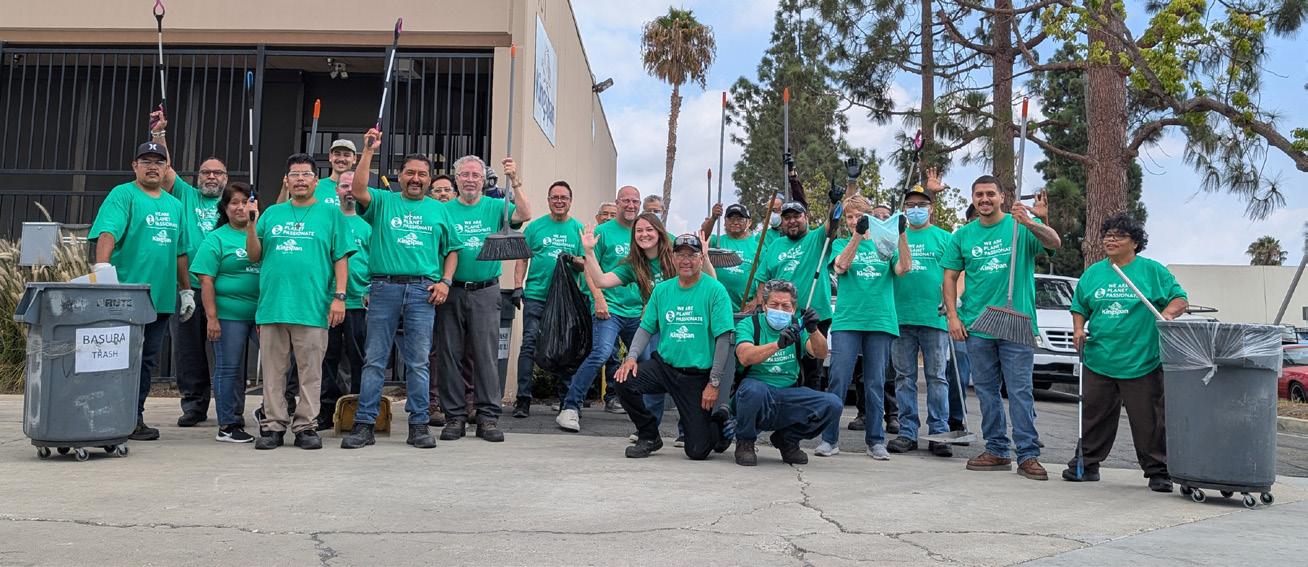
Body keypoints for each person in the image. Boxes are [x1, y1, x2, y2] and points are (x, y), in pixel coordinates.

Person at [341, 129, 459, 449]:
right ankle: (365, 425)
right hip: (384, 288)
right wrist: (368, 151)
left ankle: (419, 425)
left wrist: (446, 282)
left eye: (422, 174)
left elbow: (452, 250)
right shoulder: (384, 201)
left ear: (429, 179)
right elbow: (358, 188)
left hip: (423, 292)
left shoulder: (439, 210)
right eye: (410, 173)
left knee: (418, 362)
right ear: (399, 175)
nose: (415, 178)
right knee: (374, 360)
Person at [941, 175, 1061, 480]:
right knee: (986, 391)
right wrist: (953, 316)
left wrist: (1031, 221)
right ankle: (996, 449)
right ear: (973, 198)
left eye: (990, 194)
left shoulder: (1019, 226)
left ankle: (1028, 454)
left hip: (1016, 323)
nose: (985, 199)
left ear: (1002, 197)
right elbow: (950, 278)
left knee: (1020, 391)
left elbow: (1054, 243)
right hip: (977, 325)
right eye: (979, 194)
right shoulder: (962, 236)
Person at [1065, 213, 1187, 491]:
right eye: (1107, 235)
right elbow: (1079, 306)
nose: (1110, 240)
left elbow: (1180, 298)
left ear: (1135, 242)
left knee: (1149, 421)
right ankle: (1086, 465)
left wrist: (1167, 315)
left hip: (1142, 360)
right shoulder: (1093, 273)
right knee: (1093, 416)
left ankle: (1158, 471)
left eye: (1119, 236)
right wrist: (1078, 329)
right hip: (1099, 358)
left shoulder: (1152, 271)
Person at [245, 153, 355, 450]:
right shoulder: (272, 214)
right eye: (295, 175)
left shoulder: (331, 215)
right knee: (273, 373)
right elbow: (254, 255)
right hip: (273, 305)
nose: (301, 180)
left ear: (316, 181)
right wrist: (252, 223)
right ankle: (273, 425)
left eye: (306, 174)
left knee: (311, 372)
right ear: (287, 180)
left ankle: (306, 425)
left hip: (312, 306)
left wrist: (339, 297)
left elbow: (341, 258)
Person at [89, 140, 193, 441]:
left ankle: (134, 417)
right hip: (125, 296)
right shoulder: (123, 195)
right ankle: (109, 416)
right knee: (117, 357)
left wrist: (186, 291)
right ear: (135, 166)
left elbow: (180, 252)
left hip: (159, 298)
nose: (152, 167)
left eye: (158, 162)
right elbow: (107, 232)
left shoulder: (175, 205)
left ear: (166, 168)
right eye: (146, 161)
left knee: (146, 360)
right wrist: (102, 269)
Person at [435, 154, 533, 442]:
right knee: (449, 355)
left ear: (483, 180)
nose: (470, 180)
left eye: (475, 175)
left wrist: (514, 180)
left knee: (486, 356)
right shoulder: (443, 210)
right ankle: (455, 417)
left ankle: (488, 418)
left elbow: (525, 213)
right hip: (451, 290)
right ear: (456, 179)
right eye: (464, 175)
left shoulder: (495, 206)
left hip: (486, 290)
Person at [614, 234, 735, 460]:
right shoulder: (662, 290)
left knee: (697, 451)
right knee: (623, 380)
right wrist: (631, 358)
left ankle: (719, 424)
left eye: (692, 255)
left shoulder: (715, 290)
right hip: (665, 367)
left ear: (701, 258)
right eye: (680, 255)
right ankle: (649, 435)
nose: (686, 260)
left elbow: (723, 338)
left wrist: (714, 382)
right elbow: (646, 328)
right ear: (672, 258)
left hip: (696, 376)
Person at [146, 109, 228, 428]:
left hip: (224, 289)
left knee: (227, 350)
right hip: (188, 287)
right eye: (206, 172)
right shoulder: (185, 195)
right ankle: (194, 405)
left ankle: (229, 405)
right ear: (198, 177)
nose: (211, 177)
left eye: (217, 173)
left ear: (225, 178)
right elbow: (166, 172)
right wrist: (159, 135)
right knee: (188, 350)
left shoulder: (232, 204)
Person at [559, 212, 676, 432]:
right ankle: (571, 407)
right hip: (626, 314)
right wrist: (589, 252)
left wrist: (705, 258)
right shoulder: (634, 265)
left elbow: (707, 276)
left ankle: (683, 430)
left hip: (672, 323)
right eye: (639, 231)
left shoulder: (675, 257)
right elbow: (601, 280)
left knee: (668, 367)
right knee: (609, 354)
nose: (644, 234)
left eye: (649, 230)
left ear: (660, 233)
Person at [815, 196, 911, 459]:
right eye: (849, 217)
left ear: (869, 217)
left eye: (859, 216)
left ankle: (875, 441)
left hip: (880, 320)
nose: (853, 221)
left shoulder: (885, 244)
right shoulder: (840, 243)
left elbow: (904, 268)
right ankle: (829, 439)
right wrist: (857, 236)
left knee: (875, 382)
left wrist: (901, 234)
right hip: (848, 320)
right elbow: (841, 266)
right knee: (838, 379)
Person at [557, 186, 644, 427]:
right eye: (626, 201)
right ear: (618, 203)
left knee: (648, 358)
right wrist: (598, 298)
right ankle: (570, 407)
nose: (631, 205)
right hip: (610, 308)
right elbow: (588, 266)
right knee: (601, 354)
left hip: (637, 311)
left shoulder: (643, 232)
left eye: (635, 201)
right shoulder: (602, 232)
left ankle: (645, 414)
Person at [733, 280, 838, 466]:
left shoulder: (798, 325)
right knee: (753, 391)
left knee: (832, 404)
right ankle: (745, 441)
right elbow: (745, 356)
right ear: (764, 305)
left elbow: (821, 353)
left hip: (788, 391)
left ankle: (787, 439)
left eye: (785, 306)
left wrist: (813, 330)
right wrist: (777, 345)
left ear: (793, 308)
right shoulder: (750, 324)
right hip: (757, 390)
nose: (780, 310)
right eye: (774, 304)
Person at [888, 183, 955, 457]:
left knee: (937, 377)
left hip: (934, 318)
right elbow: (897, 270)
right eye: (911, 205)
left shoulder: (945, 238)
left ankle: (939, 433)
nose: (916, 209)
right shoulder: (894, 237)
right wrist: (900, 234)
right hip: (901, 317)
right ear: (904, 210)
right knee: (904, 377)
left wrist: (952, 302)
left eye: (921, 205)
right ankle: (907, 432)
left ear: (931, 209)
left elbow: (957, 273)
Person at [190, 182, 260, 443]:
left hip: (263, 314)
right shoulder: (216, 238)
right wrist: (212, 318)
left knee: (280, 365)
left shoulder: (262, 234)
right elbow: (206, 280)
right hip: (229, 315)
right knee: (229, 368)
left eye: (245, 202)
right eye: (234, 202)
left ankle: (269, 412)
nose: (240, 207)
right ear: (225, 208)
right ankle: (228, 424)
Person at [511, 181, 585, 418]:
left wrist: (572, 259)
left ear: (570, 201)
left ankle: (567, 401)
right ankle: (523, 399)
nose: (559, 201)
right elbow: (522, 259)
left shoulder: (578, 229)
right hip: (536, 296)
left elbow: (586, 263)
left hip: (566, 301)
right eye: (555, 197)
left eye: (564, 197)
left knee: (566, 348)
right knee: (529, 345)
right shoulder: (535, 227)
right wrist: (517, 286)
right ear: (549, 200)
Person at [757, 195, 836, 391]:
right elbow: (762, 281)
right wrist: (761, 307)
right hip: (781, 316)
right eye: (787, 217)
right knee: (784, 365)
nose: (791, 221)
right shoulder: (775, 246)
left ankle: (811, 406)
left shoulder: (817, 238)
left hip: (813, 316)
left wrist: (834, 203)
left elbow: (833, 222)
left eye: (796, 216)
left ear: (806, 217)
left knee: (812, 369)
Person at [316, 172, 371, 431]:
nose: (349, 191)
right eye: (344, 186)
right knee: (327, 358)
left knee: (359, 358)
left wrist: (370, 289)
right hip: (327, 302)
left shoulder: (368, 225)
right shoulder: (326, 222)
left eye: (353, 186)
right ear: (336, 190)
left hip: (359, 302)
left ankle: (358, 410)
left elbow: (376, 259)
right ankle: (326, 411)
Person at [701, 203, 759, 310]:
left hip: (744, 310)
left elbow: (764, 278)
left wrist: (756, 300)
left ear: (749, 222)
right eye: (731, 219)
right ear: (724, 222)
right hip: (715, 307)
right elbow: (703, 236)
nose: (735, 222)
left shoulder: (757, 247)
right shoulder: (716, 241)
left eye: (740, 219)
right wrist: (713, 218)